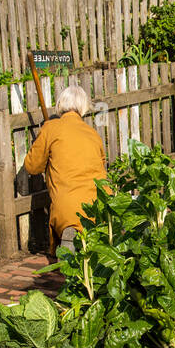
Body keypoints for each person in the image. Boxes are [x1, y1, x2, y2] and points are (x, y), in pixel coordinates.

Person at [23, 84, 107, 256]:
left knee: (69, 214)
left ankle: (71, 234)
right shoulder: (92, 133)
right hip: (100, 205)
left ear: (60, 105)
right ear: (83, 107)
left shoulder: (50, 129)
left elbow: (32, 167)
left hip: (68, 209)